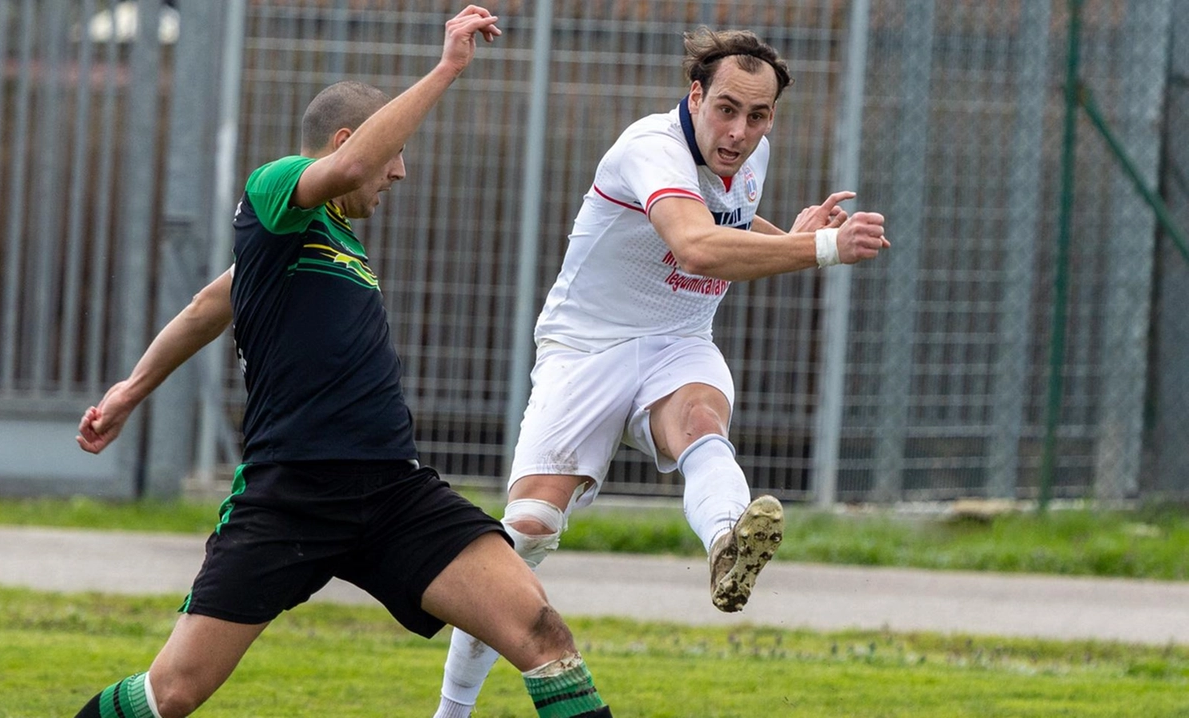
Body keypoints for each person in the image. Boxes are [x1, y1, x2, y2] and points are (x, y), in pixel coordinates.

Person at [72, 7, 612, 718]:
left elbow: (211, 303)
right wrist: (447, 67)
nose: (400, 170)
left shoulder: (330, 245)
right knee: (171, 694)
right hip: (290, 494)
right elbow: (355, 165)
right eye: (394, 152)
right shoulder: (275, 190)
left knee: (542, 632)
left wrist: (129, 389)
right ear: (346, 140)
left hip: (393, 492)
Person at [430, 26, 889, 718]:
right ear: (696, 95)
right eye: (727, 109)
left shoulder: (752, 153)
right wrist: (820, 249)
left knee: (703, 425)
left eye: (759, 115)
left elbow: (726, 218)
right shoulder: (651, 146)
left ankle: (729, 542)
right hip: (586, 349)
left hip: (678, 341)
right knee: (522, 536)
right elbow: (695, 244)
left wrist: (790, 237)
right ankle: (451, 714)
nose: (739, 131)